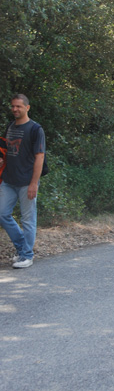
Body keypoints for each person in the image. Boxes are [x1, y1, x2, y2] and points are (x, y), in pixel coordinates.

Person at [0, 94, 45, 268]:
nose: (15, 109)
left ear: (27, 107)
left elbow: (39, 157)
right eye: (13, 106)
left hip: (27, 181)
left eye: (18, 106)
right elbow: (5, 151)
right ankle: (22, 249)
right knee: (2, 214)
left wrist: (34, 183)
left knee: (28, 220)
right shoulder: (10, 127)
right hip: (9, 180)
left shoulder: (35, 129)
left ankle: (27, 256)